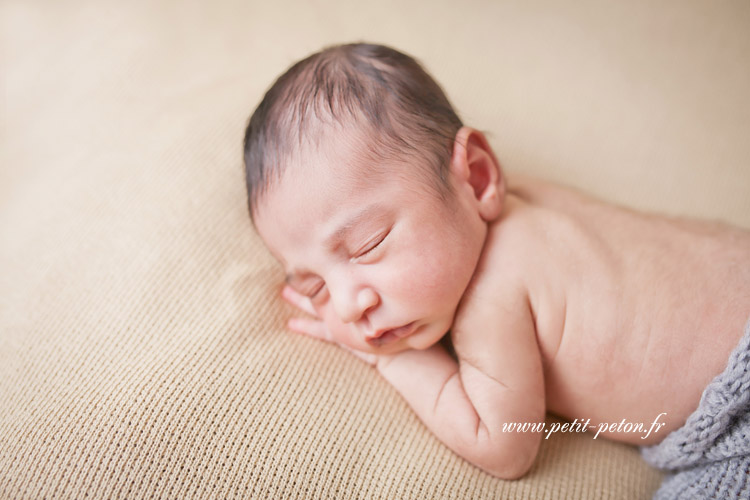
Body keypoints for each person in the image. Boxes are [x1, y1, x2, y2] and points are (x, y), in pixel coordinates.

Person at [243, 42, 750, 496]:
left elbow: (506, 447)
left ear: (479, 177)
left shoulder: (491, 299)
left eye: (368, 244)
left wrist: (394, 360)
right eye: (314, 287)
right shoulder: (526, 201)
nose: (351, 305)